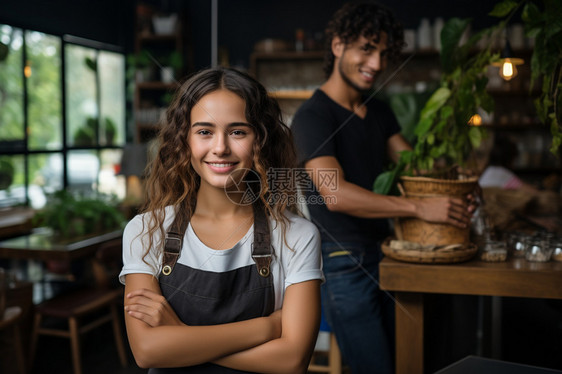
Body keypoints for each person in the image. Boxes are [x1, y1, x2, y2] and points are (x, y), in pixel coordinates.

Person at [290, 2, 475, 373]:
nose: (376, 63)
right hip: (343, 262)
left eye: (383, 53)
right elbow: (335, 194)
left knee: (414, 359)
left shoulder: (379, 111)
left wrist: (457, 181)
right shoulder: (313, 116)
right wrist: (421, 208)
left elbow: (413, 166)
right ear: (338, 45)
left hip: (389, 253)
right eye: (366, 48)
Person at [119, 67, 323, 373]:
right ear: (184, 141)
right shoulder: (146, 230)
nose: (220, 148)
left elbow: (292, 360)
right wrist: (267, 329)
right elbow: (147, 351)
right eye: (204, 131)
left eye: (238, 131)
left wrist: (180, 337)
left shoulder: (297, 236)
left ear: (260, 141)